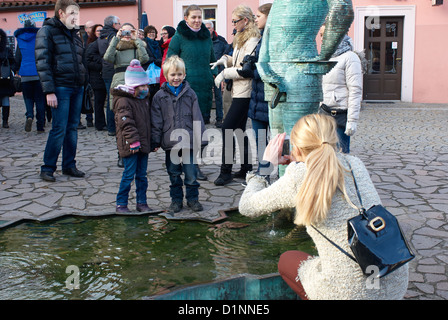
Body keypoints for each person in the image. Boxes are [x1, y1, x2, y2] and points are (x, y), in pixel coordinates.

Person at [238, 114, 409, 300]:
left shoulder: (298, 176)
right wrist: (300, 162)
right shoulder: (355, 164)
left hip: (348, 293)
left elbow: (247, 207)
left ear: (297, 147)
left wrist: (265, 167)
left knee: (287, 259)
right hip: (393, 281)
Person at [35, 0, 87, 182]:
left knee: (72, 128)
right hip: (60, 88)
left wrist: (83, 80)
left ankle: (69, 165)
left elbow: (80, 60)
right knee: (59, 128)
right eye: (72, 13)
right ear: (61, 14)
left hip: (76, 87)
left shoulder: (75, 34)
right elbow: (42, 62)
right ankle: (47, 167)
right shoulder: (47, 31)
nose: (75, 17)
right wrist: (49, 91)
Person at [212, 5, 260, 186]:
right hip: (239, 90)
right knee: (238, 130)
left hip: (245, 91)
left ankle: (225, 172)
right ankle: (246, 167)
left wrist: (225, 73)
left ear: (245, 21)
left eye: (235, 21)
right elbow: (238, 60)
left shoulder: (253, 38)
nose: (233, 24)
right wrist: (226, 59)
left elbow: (246, 71)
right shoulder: (242, 37)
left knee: (227, 128)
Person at [151, 55, 206, 213]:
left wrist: (201, 138)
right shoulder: (159, 97)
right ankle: (176, 200)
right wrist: (155, 140)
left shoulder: (190, 94)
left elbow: (197, 117)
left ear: (184, 75)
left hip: (188, 141)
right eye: (173, 75)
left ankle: (192, 199)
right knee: (174, 173)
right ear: (166, 75)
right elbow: (156, 120)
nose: (176, 78)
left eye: (179, 74)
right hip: (171, 142)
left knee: (191, 173)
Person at [112, 59, 152, 213]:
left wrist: (151, 141)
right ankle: (121, 203)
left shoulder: (143, 99)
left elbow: (148, 122)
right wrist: (133, 141)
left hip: (143, 144)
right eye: (141, 86)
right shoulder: (123, 101)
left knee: (142, 175)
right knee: (128, 175)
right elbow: (126, 123)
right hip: (130, 145)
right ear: (132, 86)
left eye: (146, 85)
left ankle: (141, 202)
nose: (145, 88)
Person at [167, 5, 218, 125]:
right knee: (188, 122)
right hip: (187, 85)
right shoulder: (179, 37)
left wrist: (214, 74)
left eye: (199, 17)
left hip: (205, 85)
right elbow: (171, 60)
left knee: (203, 123)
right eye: (193, 17)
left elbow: (212, 58)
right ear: (186, 18)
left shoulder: (206, 37)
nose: (197, 20)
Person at [319, 27, 363, 154]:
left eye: (324, 34)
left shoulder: (350, 57)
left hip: (339, 115)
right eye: (320, 35)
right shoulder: (324, 56)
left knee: (340, 157)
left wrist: (352, 121)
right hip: (324, 112)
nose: (321, 38)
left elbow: (355, 90)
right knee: (324, 155)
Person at [248, 3, 272, 178]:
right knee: (260, 139)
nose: (255, 19)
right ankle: (263, 172)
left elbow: (269, 69)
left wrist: (251, 70)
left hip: (270, 98)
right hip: (258, 98)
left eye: (258, 16)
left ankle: (281, 172)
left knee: (280, 139)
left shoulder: (273, 39)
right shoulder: (262, 37)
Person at [14, 20, 46, 133]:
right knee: (40, 100)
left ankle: (29, 115)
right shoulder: (39, 38)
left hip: (25, 74)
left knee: (28, 98)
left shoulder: (20, 39)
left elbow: (17, 58)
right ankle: (40, 126)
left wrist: (16, 70)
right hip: (38, 74)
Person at [96, 15, 121, 136]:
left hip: (105, 70)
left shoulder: (101, 35)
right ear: (113, 25)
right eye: (118, 23)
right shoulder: (113, 36)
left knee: (110, 98)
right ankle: (113, 127)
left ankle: (110, 126)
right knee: (114, 100)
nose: (120, 26)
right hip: (113, 70)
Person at [204, 20, 229, 128]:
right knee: (206, 96)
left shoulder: (221, 41)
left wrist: (223, 75)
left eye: (209, 28)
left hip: (218, 73)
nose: (207, 30)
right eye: (205, 28)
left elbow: (226, 57)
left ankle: (219, 118)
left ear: (213, 29)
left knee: (219, 96)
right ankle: (206, 117)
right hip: (205, 73)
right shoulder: (201, 40)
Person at [85, 24, 107, 131]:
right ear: (94, 32)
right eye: (98, 30)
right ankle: (99, 123)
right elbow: (88, 62)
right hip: (96, 77)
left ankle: (103, 122)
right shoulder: (92, 45)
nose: (100, 32)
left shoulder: (105, 43)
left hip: (104, 76)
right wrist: (101, 66)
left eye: (102, 30)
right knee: (99, 102)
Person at [0, 28, 16, 129]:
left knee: (5, 100)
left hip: (4, 80)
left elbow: (13, 62)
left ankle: (5, 121)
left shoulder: (7, 50)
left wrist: (11, 71)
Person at [142, 25, 162, 102]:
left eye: (153, 32)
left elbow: (160, 57)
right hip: (147, 71)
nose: (151, 34)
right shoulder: (144, 44)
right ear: (146, 34)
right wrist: (154, 59)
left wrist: (157, 61)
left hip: (157, 70)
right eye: (149, 32)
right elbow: (143, 58)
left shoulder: (157, 45)